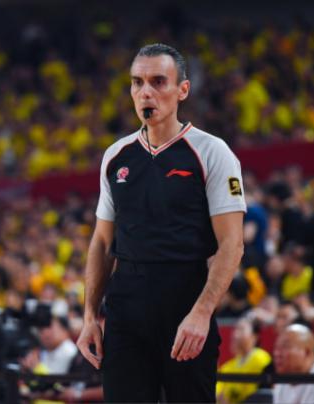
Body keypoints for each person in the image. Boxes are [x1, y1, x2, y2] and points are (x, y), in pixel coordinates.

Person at [77, 43, 246, 402]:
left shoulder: (212, 152)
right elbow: (103, 243)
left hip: (185, 301)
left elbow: (232, 244)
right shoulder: (116, 155)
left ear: (182, 90)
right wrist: (90, 316)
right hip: (125, 308)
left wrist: (202, 313)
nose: (145, 92)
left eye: (158, 81)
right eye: (137, 82)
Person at [216, 318, 271, 403]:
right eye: (235, 330)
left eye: (241, 330)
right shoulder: (227, 366)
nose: (235, 335)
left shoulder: (260, 358)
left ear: (254, 337)